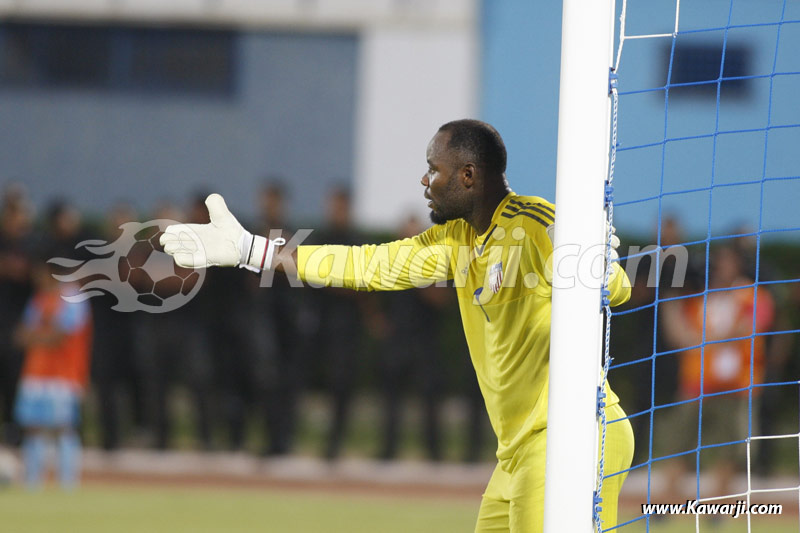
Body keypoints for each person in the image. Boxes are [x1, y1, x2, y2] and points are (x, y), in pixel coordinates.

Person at [160, 119, 634, 531]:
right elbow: (367, 267)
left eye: (435, 168)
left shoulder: (534, 224)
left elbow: (616, 288)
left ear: (468, 176)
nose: (424, 179)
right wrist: (251, 251)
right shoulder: (456, 238)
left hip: (572, 436)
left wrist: (599, 265)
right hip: (520, 451)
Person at [13, 258, 92, 489]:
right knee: (33, 426)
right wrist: (43, 336)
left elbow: (59, 337)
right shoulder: (39, 299)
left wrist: (38, 336)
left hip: (64, 374)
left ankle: (67, 483)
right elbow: (21, 335)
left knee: (63, 427)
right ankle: (32, 482)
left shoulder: (72, 298)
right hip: (36, 373)